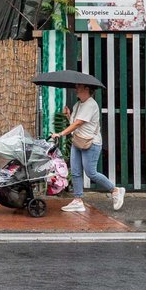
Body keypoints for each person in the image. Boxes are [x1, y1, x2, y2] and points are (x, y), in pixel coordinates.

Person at [50, 83, 124, 212]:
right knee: (76, 172)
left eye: (79, 87)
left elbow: (79, 123)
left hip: (91, 143)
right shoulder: (78, 105)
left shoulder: (91, 104)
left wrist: (61, 134)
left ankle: (115, 190)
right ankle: (78, 200)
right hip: (78, 141)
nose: (76, 89)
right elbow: (75, 122)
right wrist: (68, 115)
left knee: (91, 173)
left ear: (87, 89)